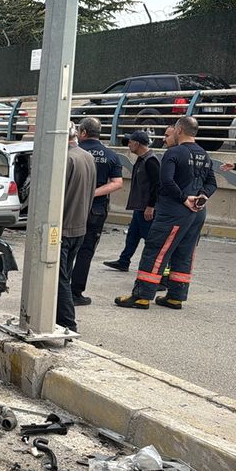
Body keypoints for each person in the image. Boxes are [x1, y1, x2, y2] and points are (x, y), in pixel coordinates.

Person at [115, 116, 216, 310]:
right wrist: (201, 197)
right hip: (197, 213)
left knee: (156, 250)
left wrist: (184, 199)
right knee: (184, 253)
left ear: (179, 130)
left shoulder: (174, 153)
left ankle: (141, 296)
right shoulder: (204, 154)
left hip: (174, 212)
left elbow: (167, 182)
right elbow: (212, 183)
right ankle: (175, 296)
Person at [70, 117, 123, 306]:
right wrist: (94, 193)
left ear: (83, 132)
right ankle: (75, 293)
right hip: (97, 209)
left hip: (72, 207)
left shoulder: (75, 152)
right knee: (86, 251)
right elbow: (117, 183)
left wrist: (84, 192)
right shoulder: (110, 155)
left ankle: (59, 289)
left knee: (65, 248)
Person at [57, 122, 97, 332]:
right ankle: (57, 318)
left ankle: (66, 323)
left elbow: (56, 198)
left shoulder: (65, 159)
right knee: (64, 275)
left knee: (59, 278)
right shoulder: (87, 156)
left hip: (62, 229)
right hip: (79, 227)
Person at [103, 131, 160, 271]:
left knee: (150, 239)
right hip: (139, 206)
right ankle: (123, 261)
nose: (128, 145)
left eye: (130, 142)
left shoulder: (151, 160)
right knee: (132, 236)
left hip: (145, 208)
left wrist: (151, 206)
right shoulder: (142, 159)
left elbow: (157, 185)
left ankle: (154, 268)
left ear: (137, 143)